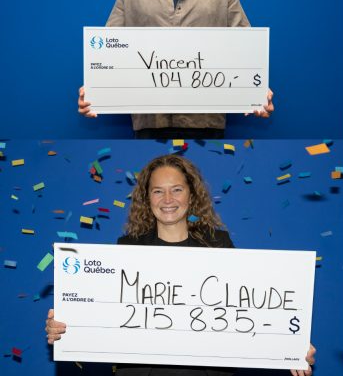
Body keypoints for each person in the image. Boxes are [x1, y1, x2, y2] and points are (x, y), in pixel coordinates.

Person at [46, 154, 315, 376]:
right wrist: (65, 328)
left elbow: (249, 309)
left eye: (177, 189)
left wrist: (290, 347)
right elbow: (103, 313)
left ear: (191, 194)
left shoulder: (219, 245)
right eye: (158, 191)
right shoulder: (127, 248)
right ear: (146, 198)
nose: (168, 200)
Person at [77, 0, 274, 139]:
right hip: (149, 120)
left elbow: (244, 47)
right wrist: (95, 89)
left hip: (206, 120)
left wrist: (257, 91)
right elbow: (110, 49)